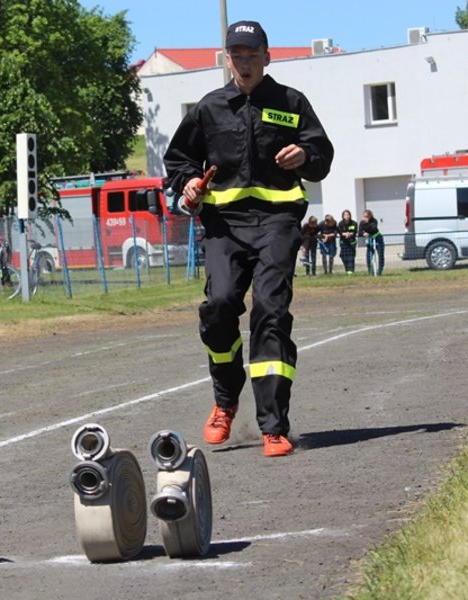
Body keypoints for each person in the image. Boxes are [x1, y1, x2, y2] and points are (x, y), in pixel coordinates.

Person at [163, 20, 334, 457]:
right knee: (219, 307)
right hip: (224, 226)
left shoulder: (291, 102)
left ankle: (274, 426)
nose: (243, 62)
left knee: (271, 312)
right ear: (226, 59)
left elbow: (321, 157)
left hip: (277, 222)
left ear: (267, 56)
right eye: (236, 55)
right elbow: (179, 161)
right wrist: (188, 185)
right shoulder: (209, 108)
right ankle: (225, 399)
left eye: (251, 54)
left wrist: (305, 155)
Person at [358, 209, 385, 276]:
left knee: (380, 255)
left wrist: (367, 225)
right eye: (364, 216)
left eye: (367, 216)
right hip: (369, 239)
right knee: (369, 255)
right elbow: (359, 232)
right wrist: (363, 233)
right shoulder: (361, 223)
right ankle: (370, 271)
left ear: (370, 216)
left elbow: (373, 228)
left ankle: (379, 271)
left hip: (377, 238)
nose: (365, 218)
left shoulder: (374, 221)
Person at [337, 209, 357, 274]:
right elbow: (340, 232)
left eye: (348, 214)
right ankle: (347, 269)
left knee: (351, 256)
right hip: (343, 242)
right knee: (343, 256)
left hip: (351, 241)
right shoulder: (340, 223)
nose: (347, 216)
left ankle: (351, 270)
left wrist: (350, 234)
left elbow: (354, 232)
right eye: (345, 215)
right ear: (343, 216)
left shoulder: (354, 223)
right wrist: (345, 234)